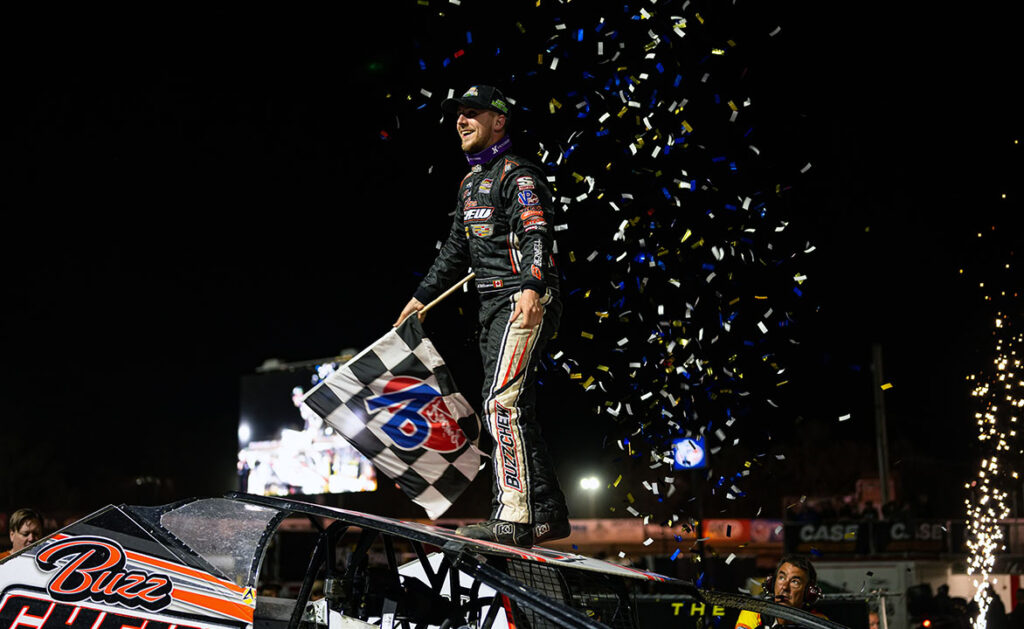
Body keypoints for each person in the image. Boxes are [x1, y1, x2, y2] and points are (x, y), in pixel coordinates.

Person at [394, 84, 568, 548]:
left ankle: (513, 514)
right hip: (491, 307)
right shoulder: (470, 182)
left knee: (500, 405)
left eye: (472, 113)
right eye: (458, 115)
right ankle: (547, 512)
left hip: (520, 301)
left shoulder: (520, 174)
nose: (461, 121)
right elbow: (455, 250)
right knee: (513, 407)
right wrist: (420, 299)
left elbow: (537, 230)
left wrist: (534, 285)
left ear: (499, 121)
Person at [736, 554, 827, 629]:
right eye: (781, 578)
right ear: (772, 584)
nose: (784, 587)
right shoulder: (754, 612)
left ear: (809, 592)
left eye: (794, 582)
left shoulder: (819, 623)